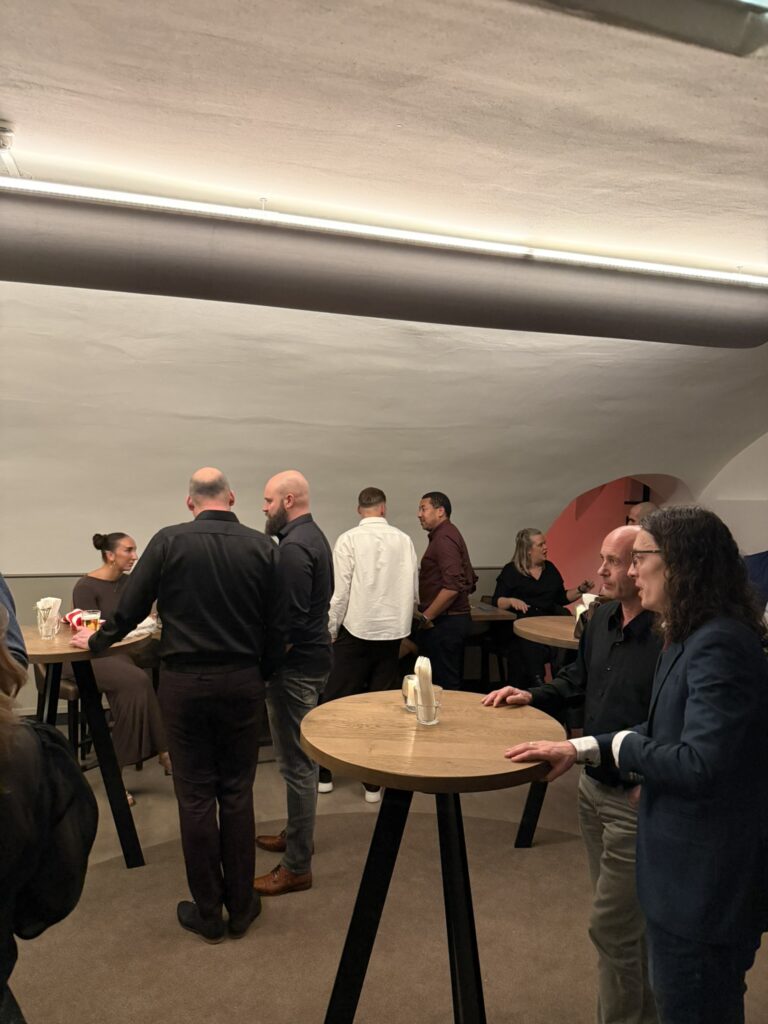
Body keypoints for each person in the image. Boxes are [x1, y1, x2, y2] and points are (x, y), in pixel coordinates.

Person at [506, 506, 768, 1024]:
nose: (628, 571)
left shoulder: (719, 642)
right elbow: (660, 727)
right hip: (674, 862)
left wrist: (626, 753)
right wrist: (579, 749)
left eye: (638, 558)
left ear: (680, 563)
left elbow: (702, 762)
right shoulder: (688, 634)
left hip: (702, 880)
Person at [73, 468, 286, 943]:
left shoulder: (168, 542)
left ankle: (208, 913)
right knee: (238, 792)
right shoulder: (263, 547)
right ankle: (242, 906)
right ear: (232, 498)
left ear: (190, 503)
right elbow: (279, 622)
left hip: (184, 684)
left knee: (195, 797)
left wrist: (98, 641)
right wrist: (263, 672)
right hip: (241, 680)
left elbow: (129, 608)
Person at [483, 526, 661, 1024]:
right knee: (626, 928)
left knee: (613, 929)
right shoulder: (600, 618)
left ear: (641, 566)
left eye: (613, 561)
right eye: (602, 559)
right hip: (591, 788)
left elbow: (673, 723)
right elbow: (576, 680)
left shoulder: (670, 633)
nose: (600, 570)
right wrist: (532, 695)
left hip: (635, 798)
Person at [254, 470, 333, 896]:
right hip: (312, 660)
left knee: (297, 766)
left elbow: (290, 624)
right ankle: (297, 834)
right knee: (300, 763)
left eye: (268, 500)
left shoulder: (294, 548)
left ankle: (297, 865)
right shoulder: (312, 536)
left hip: (295, 667)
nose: (263, 507)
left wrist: (264, 666)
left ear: (288, 500)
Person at [320, 486, 418, 802]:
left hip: (356, 629)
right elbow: (413, 590)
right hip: (392, 633)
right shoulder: (404, 540)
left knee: (335, 701)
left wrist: (331, 629)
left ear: (359, 509)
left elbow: (341, 592)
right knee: (381, 707)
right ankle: (372, 782)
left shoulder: (348, 540)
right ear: (383, 509)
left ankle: (324, 773)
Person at [72, 532, 170, 804]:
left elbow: (145, 618)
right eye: (128, 550)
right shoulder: (85, 587)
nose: (135, 556)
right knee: (137, 682)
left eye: (135, 550)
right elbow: (91, 634)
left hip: (124, 653)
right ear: (110, 555)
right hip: (93, 657)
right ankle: (122, 771)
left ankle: (163, 752)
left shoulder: (130, 584)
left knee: (157, 671)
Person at [492, 527, 593, 686]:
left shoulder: (550, 569)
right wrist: (511, 601)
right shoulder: (511, 571)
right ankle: (537, 680)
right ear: (528, 550)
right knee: (527, 642)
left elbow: (561, 597)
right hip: (523, 623)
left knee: (566, 638)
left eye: (545, 543)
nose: (545, 548)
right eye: (540, 545)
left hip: (547, 621)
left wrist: (580, 590)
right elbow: (497, 601)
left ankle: (565, 681)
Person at [415, 491, 477, 690]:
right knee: (441, 681)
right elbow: (468, 579)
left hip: (446, 623)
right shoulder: (446, 534)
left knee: (445, 684)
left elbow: (452, 588)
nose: (419, 514)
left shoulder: (444, 538)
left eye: (423, 509)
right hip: (448, 621)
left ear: (440, 511)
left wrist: (425, 617)